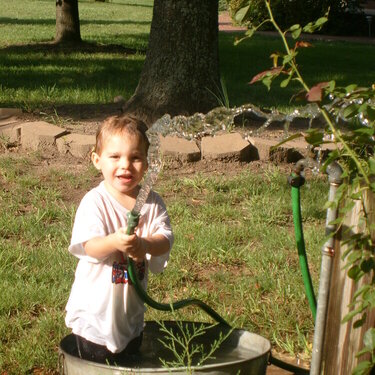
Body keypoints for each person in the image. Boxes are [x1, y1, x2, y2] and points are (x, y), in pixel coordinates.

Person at [65, 115, 174, 364]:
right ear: (96, 160)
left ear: (147, 164)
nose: (125, 165)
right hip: (94, 319)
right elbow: (89, 247)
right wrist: (114, 242)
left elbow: (166, 238)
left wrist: (145, 245)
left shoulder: (152, 202)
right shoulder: (95, 202)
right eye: (115, 157)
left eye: (135, 158)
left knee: (130, 366)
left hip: (131, 317)